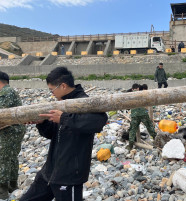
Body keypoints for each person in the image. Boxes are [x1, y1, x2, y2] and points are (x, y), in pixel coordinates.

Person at [20, 67, 108, 201]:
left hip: (69, 176)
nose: (52, 94)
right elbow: (52, 134)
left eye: (52, 90)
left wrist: (63, 119)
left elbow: (98, 122)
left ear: (63, 86)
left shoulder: (84, 102)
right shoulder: (61, 104)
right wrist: (41, 122)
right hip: (49, 172)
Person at [0, 72, 26, 200]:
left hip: (10, 130)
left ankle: (2, 188)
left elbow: (1, 111)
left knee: (3, 157)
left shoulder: (6, 92)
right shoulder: (9, 91)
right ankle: (12, 184)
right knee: (11, 157)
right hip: (13, 129)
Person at [127, 83, 156, 150]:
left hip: (134, 115)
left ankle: (130, 145)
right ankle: (156, 139)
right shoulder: (142, 93)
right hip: (143, 114)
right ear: (137, 88)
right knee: (149, 126)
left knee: (132, 130)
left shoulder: (129, 94)